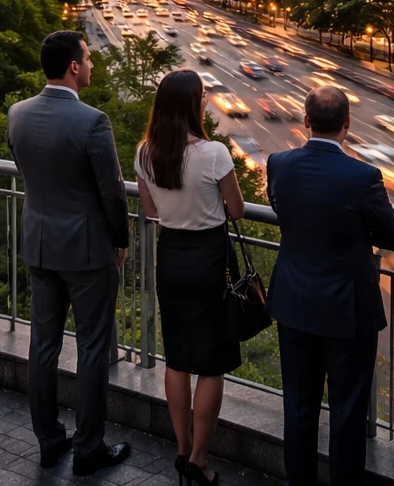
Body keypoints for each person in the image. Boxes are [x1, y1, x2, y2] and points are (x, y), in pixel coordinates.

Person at [8, 31, 131, 477]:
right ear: (74, 67)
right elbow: (112, 193)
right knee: (93, 348)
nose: (93, 65)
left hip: (40, 244)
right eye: (89, 58)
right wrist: (120, 239)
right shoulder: (93, 121)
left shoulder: (17, 113)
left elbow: (26, 172)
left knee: (43, 345)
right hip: (86, 251)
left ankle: (49, 440)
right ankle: (89, 447)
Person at [266, 86, 394, 486]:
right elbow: (391, 232)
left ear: (306, 121)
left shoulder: (280, 163)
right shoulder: (362, 176)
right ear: (347, 125)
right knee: (347, 411)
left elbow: (281, 208)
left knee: (299, 405)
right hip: (347, 310)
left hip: (293, 303)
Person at [135, 70, 246, 486]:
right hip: (209, 259)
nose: (205, 102)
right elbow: (235, 210)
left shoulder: (145, 152)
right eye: (202, 96)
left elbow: (149, 211)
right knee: (211, 363)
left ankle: (182, 450)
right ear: (190, 104)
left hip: (171, 256)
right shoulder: (214, 153)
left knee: (178, 358)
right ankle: (200, 459)